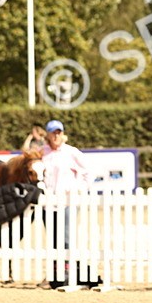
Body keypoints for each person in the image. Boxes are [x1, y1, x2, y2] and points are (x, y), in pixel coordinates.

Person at [40, 119, 93, 288]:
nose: (56, 135)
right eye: (53, 132)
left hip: (68, 202)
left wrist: (78, 189)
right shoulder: (42, 152)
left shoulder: (71, 152)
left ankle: (69, 272)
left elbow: (88, 172)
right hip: (48, 203)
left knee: (66, 239)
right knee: (53, 240)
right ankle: (55, 274)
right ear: (48, 135)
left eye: (59, 132)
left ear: (62, 134)